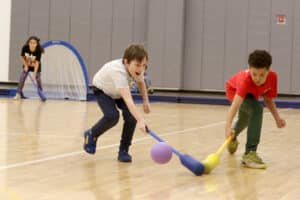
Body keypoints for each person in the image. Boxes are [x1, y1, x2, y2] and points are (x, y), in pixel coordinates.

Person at [84, 44, 151, 162]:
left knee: (131, 117)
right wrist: (141, 120)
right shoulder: (117, 72)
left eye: (143, 65)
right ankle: (91, 133)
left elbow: (141, 83)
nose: (141, 69)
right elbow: (128, 100)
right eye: (137, 65)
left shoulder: (137, 70)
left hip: (118, 92)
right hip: (103, 90)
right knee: (112, 116)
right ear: (126, 62)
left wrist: (146, 101)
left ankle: (124, 151)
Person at [225, 50, 286, 169]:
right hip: (234, 91)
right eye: (254, 74)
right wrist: (227, 127)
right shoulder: (246, 80)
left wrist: (277, 119)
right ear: (249, 69)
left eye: (262, 75)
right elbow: (235, 105)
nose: (257, 79)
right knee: (256, 109)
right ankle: (249, 154)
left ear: (268, 71)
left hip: (252, 95)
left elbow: (268, 100)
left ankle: (233, 136)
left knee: (245, 119)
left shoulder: (273, 77)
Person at [14, 36, 45, 100]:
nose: (32, 44)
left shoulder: (38, 50)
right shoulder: (25, 47)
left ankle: (41, 93)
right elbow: (22, 57)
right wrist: (25, 65)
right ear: (28, 43)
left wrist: (34, 74)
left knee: (38, 79)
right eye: (31, 42)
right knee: (22, 78)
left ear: (37, 44)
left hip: (35, 66)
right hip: (27, 64)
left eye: (34, 43)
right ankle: (18, 94)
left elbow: (37, 63)